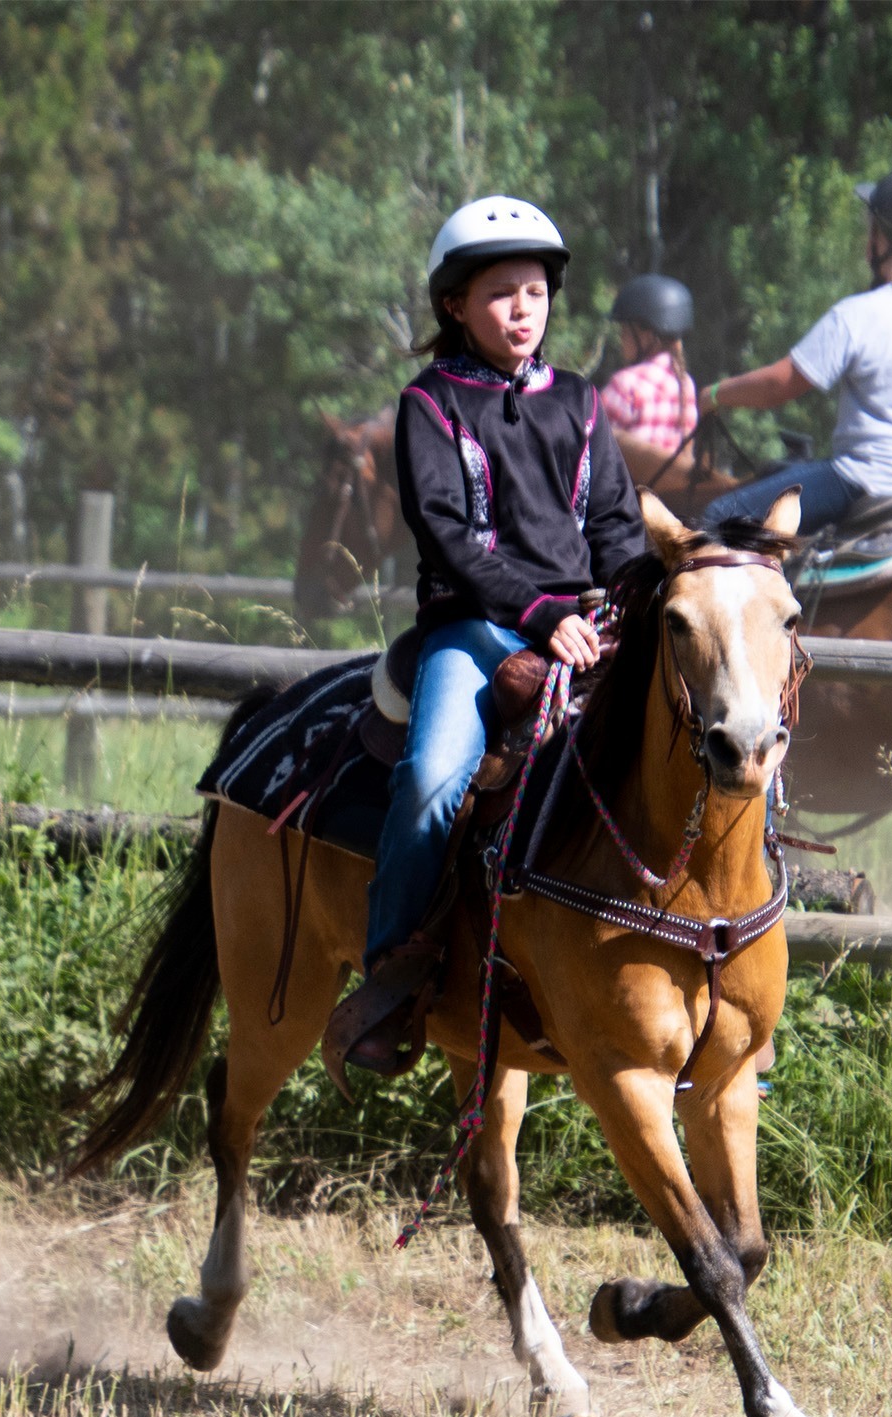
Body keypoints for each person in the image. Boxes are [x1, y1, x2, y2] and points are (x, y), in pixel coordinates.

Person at [329, 196, 646, 1075]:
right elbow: (446, 535)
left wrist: (629, 602)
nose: (522, 309)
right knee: (433, 780)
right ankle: (392, 973)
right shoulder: (428, 405)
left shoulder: (581, 403)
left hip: (586, 630)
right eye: (501, 292)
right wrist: (543, 612)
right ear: (454, 307)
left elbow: (617, 526)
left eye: (536, 292)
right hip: (474, 629)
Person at [698, 164, 892, 537]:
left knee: (718, 516)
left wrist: (715, 394)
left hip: (863, 481)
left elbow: (779, 386)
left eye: (870, 228)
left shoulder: (860, 314)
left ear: (884, 239)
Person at [600, 273, 699, 456]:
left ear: (647, 335)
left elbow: (590, 447)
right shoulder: (686, 384)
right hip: (669, 484)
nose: (621, 337)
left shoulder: (625, 384)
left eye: (625, 329)